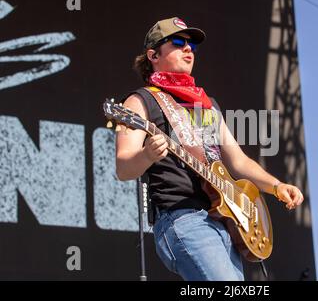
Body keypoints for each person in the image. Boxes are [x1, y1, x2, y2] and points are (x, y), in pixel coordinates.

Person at [115, 17, 304, 281]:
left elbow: (238, 161)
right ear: (153, 54)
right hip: (183, 219)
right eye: (178, 42)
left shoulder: (207, 105)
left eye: (192, 45)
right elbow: (124, 167)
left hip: (223, 222)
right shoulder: (139, 101)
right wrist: (147, 155)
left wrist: (275, 186)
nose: (188, 49)